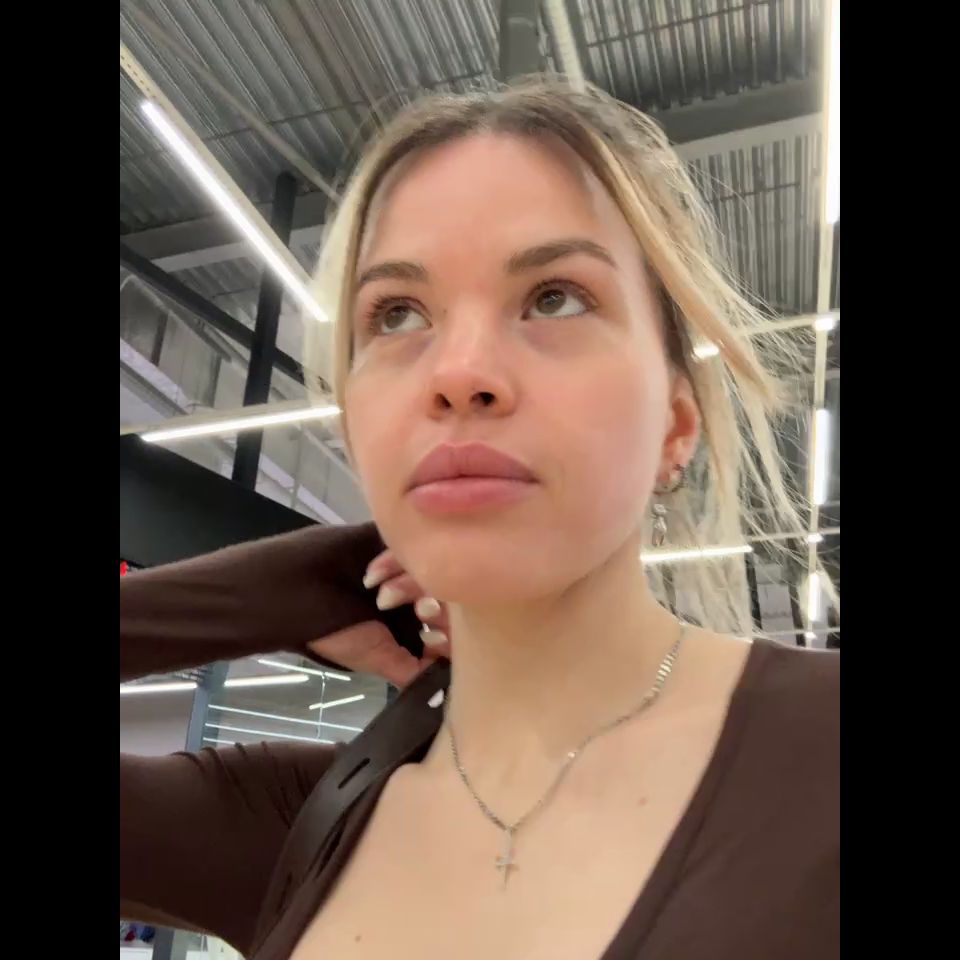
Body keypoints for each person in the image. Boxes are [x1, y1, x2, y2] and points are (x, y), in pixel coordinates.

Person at [120, 79, 839, 960]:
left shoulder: (821, 756)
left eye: (555, 297)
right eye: (397, 315)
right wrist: (310, 587)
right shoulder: (303, 823)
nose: (459, 372)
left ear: (676, 425)